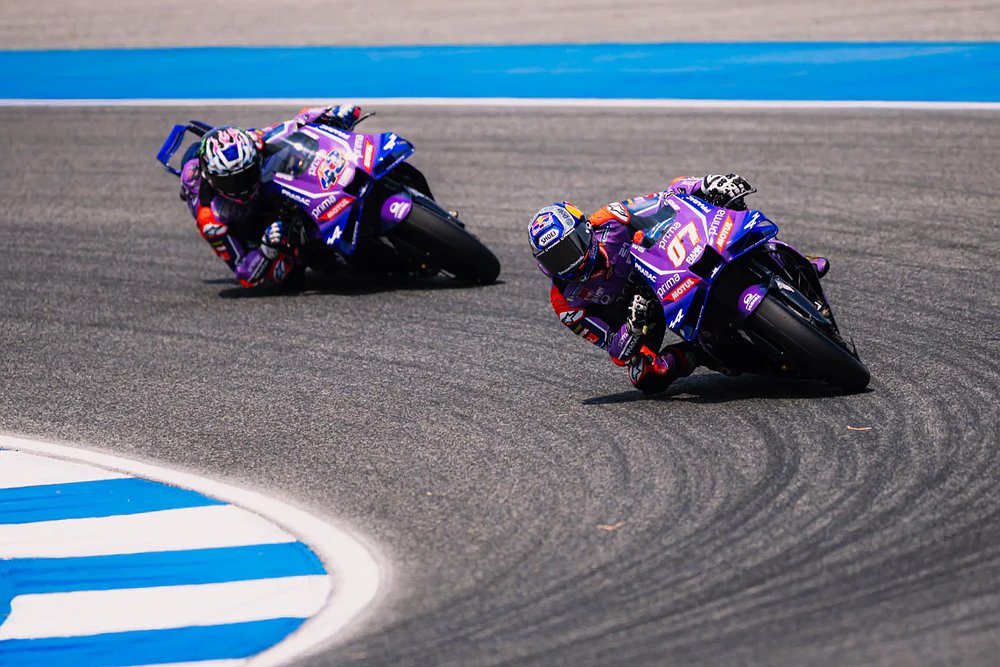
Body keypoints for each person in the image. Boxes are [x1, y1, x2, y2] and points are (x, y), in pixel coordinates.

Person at [528, 174, 829, 394]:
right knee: (644, 377)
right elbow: (615, 350)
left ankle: (786, 255)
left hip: (668, 265)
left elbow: (667, 197)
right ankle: (697, 354)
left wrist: (705, 185)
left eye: (567, 250)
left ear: (584, 231)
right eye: (554, 259)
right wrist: (632, 327)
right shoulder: (565, 301)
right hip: (646, 314)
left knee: (726, 207)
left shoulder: (610, 218)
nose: (566, 264)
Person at [178, 104, 363, 288]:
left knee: (292, 158)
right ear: (211, 180)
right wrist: (265, 249)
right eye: (231, 182)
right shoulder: (210, 220)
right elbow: (244, 274)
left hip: (268, 195)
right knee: (286, 276)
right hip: (256, 235)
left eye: (247, 175)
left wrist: (330, 114)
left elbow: (295, 124)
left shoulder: (253, 142)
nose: (241, 187)